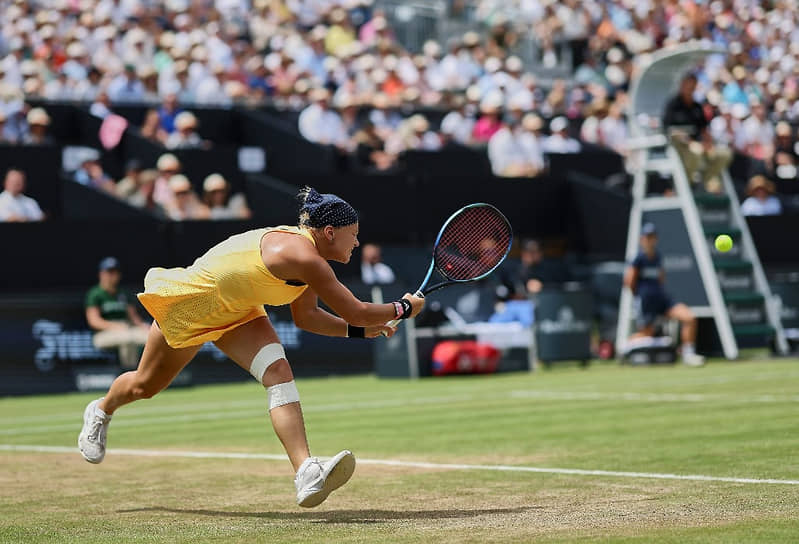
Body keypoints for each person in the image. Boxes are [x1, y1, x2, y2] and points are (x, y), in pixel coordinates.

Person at [78, 187, 425, 508]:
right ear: (330, 232)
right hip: (193, 304)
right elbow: (356, 310)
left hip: (240, 313)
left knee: (278, 372)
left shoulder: (309, 258)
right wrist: (403, 308)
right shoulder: (302, 256)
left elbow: (307, 317)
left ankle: (305, 471)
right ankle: (101, 410)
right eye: (354, 233)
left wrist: (361, 334)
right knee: (144, 385)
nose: (358, 241)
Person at [623, 223, 705, 366]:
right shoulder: (638, 259)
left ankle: (688, 354)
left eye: (652, 237)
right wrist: (641, 298)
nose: (650, 240)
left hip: (662, 300)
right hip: (647, 302)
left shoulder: (657, 257)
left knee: (689, 317)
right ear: (642, 239)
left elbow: (661, 279)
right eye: (647, 237)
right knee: (646, 336)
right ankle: (624, 348)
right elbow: (629, 281)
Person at [662, 73, 732, 193]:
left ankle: (707, 180)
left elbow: (704, 129)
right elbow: (669, 129)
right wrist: (691, 142)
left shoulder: (697, 106)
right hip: (680, 146)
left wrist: (708, 143)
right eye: (688, 86)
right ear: (682, 86)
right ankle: (686, 185)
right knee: (696, 150)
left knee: (725, 154)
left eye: (692, 86)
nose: (690, 89)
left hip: (698, 144)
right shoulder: (673, 105)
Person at [85, 257, 151, 369]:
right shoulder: (95, 294)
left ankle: (153, 371)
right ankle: (129, 372)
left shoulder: (123, 294)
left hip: (127, 328)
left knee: (151, 337)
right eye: (109, 272)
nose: (112, 275)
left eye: (115, 272)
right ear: (101, 274)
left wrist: (144, 327)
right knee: (127, 338)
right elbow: (94, 321)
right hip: (103, 333)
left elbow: (134, 317)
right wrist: (116, 326)